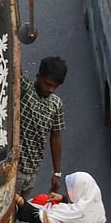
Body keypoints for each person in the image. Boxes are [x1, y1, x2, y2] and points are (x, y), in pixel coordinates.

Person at [17, 56, 68, 198]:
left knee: (20, 211)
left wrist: (57, 173)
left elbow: (55, 137)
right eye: (47, 84)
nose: (51, 89)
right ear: (38, 77)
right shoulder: (26, 90)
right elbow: (16, 68)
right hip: (16, 168)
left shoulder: (56, 104)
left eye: (55, 86)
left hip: (32, 172)